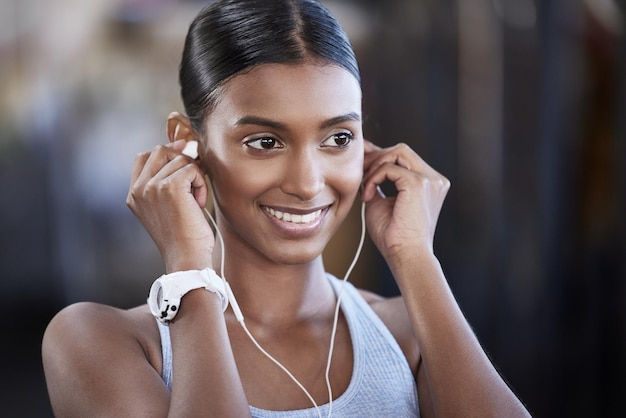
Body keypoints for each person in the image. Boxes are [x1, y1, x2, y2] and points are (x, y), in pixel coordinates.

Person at [42, 0, 531, 416]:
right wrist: (190, 271)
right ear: (187, 146)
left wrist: (416, 257)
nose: (307, 182)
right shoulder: (100, 342)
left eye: (338, 138)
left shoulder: (410, 330)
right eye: (264, 141)